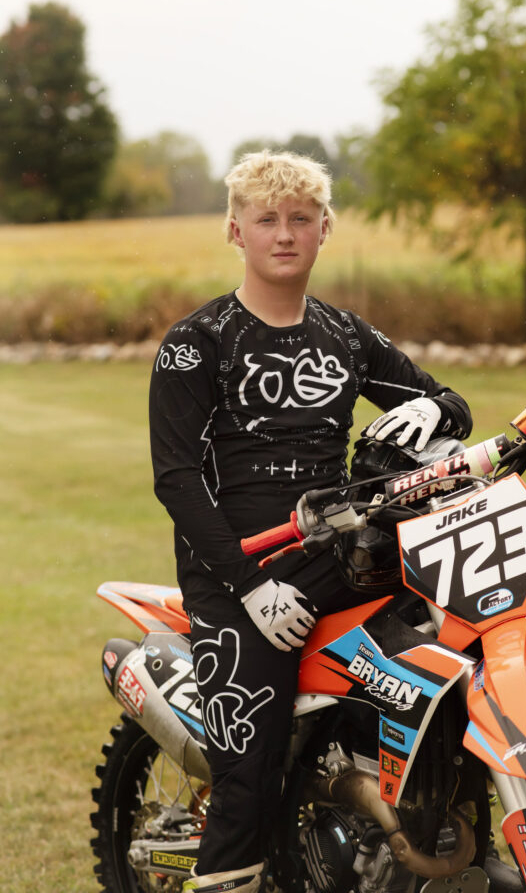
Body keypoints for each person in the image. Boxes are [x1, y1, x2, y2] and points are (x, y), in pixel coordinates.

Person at [149, 150, 473, 893]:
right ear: (236, 231)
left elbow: (447, 400)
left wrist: (437, 408)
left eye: (301, 219)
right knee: (250, 778)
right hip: (236, 579)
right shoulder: (194, 344)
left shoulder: (345, 336)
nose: (284, 234)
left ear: (326, 228)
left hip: (339, 560)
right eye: (267, 220)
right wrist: (249, 587)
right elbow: (176, 479)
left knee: (437, 683)